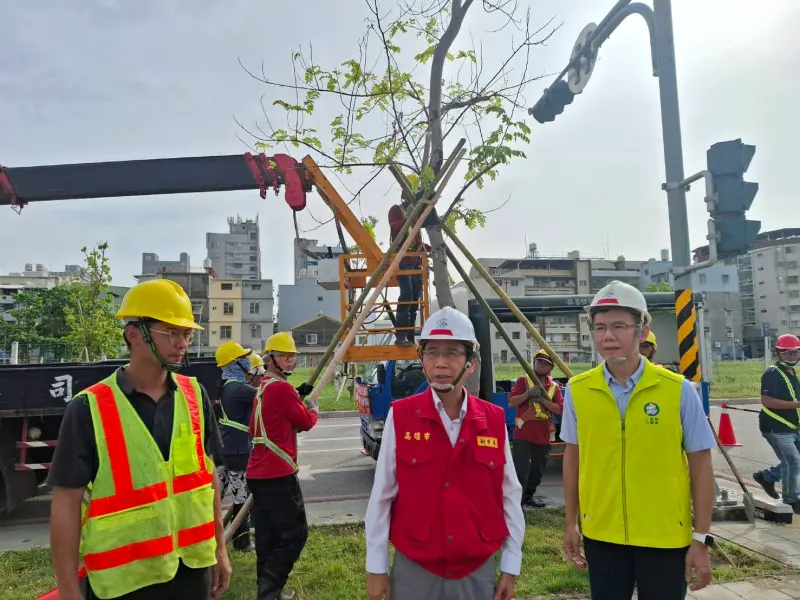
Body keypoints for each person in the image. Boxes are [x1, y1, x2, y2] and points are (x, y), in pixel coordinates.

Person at [48, 279, 231, 600]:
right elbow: (66, 500)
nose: (182, 343)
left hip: (192, 570)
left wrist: (220, 548)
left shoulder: (194, 395)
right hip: (124, 582)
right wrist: (67, 587)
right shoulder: (89, 407)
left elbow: (208, 477)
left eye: (186, 334)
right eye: (171, 333)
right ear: (134, 334)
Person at [560, 280, 716, 600]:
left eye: (619, 326)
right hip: (602, 536)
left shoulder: (678, 390)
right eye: (600, 327)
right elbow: (573, 459)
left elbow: (702, 467)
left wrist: (700, 538)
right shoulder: (578, 390)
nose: (608, 336)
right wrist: (571, 523)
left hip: (664, 537)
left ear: (642, 330)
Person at [365, 306, 525, 600]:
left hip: (476, 568)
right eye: (431, 352)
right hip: (415, 566)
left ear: (471, 362)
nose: (440, 363)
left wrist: (510, 566)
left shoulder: (492, 419)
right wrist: (376, 568)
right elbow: (382, 495)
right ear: (421, 359)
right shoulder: (400, 416)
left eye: (452, 353)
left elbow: (509, 494)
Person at [247, 332, 319, 600]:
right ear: (270, 359)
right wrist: (312, 406)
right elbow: (306, 422)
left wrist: (295, 402)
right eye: (284, 356)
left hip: (258, 473)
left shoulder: (263, 389)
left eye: (292, 357)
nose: (290, 361)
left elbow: (257, 428)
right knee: (294, 535)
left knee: (268, 537)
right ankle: (269, 591)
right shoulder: (281, 388)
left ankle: (267, 593)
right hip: (278, 475)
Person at [214, 341, 260, 552]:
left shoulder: (226, 386)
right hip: (238, 451)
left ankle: (210, 533)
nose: (246, 360)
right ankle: (241, 542)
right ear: (234, 364)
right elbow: (267, 397)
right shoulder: (240, 389)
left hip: (225, 449)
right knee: (241, 497)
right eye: (242, 358)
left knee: (217, 495)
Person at [508, 349, 563, 508]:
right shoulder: (522, 381)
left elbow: (560, 410)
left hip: (543, 434)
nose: (541, 365)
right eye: (539, 362)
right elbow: (512, 402)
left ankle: (528, 496)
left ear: (550, 368)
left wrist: (542, 400)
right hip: (523, 433)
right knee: (521, 469)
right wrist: (528, 394)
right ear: (534, 363)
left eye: (545, 363)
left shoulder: (554, 387)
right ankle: (517, 500)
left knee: (538, 469)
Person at [752, 334, 800, 510]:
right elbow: (767, 401)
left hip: (792, 426)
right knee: (793, 461)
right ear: (778, 354)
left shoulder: (792, 372)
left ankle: (767, 476)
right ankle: (791, 499)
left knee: (794, 461)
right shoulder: (772, 373)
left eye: (796, 353)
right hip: (776, 427)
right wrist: (797, 404)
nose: (793, 357)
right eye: (788, 353)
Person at [388, 173, 430, 347]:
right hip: (403, 259)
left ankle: (410, 337)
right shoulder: (396, 210)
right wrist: (407, 217)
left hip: (415, 262)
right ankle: (401, 336)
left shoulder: (414, 215)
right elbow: (396, 229)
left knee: (414, 300)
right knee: (406, 296)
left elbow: (417, 239)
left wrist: (428, 248)